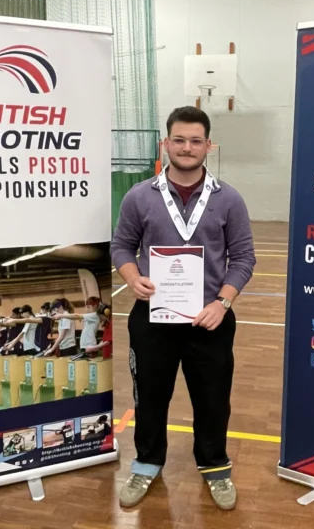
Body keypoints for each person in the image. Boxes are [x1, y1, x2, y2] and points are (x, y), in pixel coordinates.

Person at [110, 106, 256, 511]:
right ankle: (146, 462)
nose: (187, 148)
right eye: (179, 139)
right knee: (150, 398)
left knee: (213, 399)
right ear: (166, 144)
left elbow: (243, 257)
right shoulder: (140, 196)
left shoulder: (229, 199)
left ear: (208, 145)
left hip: (209, 320)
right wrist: (130, 277)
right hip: (153, 318)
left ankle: (215, 467)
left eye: (196, 140)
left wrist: (222, 303)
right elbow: (121, 245)